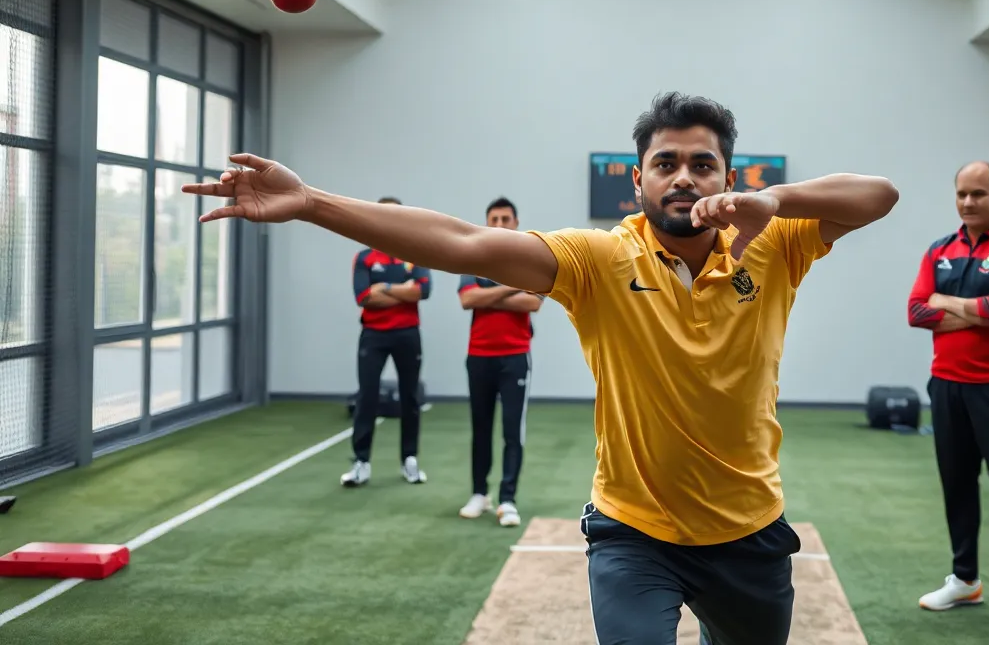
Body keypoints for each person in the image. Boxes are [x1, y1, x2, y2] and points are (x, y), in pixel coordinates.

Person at [183, 92, 899, 645]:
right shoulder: (601, 259)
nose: (684, 177)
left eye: (702, 163)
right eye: (666, 163)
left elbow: (879, 195)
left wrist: (779, 199)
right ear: (638, 183)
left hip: (748, 533)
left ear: (728, 176)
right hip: (635, 532)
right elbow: (463, 243)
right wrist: (312, 203)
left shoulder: (771, 243)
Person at [906, 161, 989, 633]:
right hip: (945, 384)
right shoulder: (939, 249)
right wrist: (976, 311)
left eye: (979, 194)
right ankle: (965, 580)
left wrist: (947, 303)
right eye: (962, 194)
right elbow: (915, 310)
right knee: (957, 486)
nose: (968, 202)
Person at [457, 197, 543, 528]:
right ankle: (479, 493)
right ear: (486, 222)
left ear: (516, 223)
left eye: (506, 219)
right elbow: (468, 299)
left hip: (515, 358)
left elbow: (533, 303)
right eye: (494, 218)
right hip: (479, 356)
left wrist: (492, 294)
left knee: (512, 431)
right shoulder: (472, 259)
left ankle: (507, 499)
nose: (500, 224)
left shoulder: (528, 260)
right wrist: (511, 289)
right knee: (480, 429)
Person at [342, 195, 433, 487]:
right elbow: (364, 297)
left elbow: (423, 291)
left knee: (410, 397)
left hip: (408, 334)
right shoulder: (364, 257)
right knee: (366, 396)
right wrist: (401, 290)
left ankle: (409, 459)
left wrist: (385, 288)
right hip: (374, 335)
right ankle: (361, 462)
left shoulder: (415, 253)